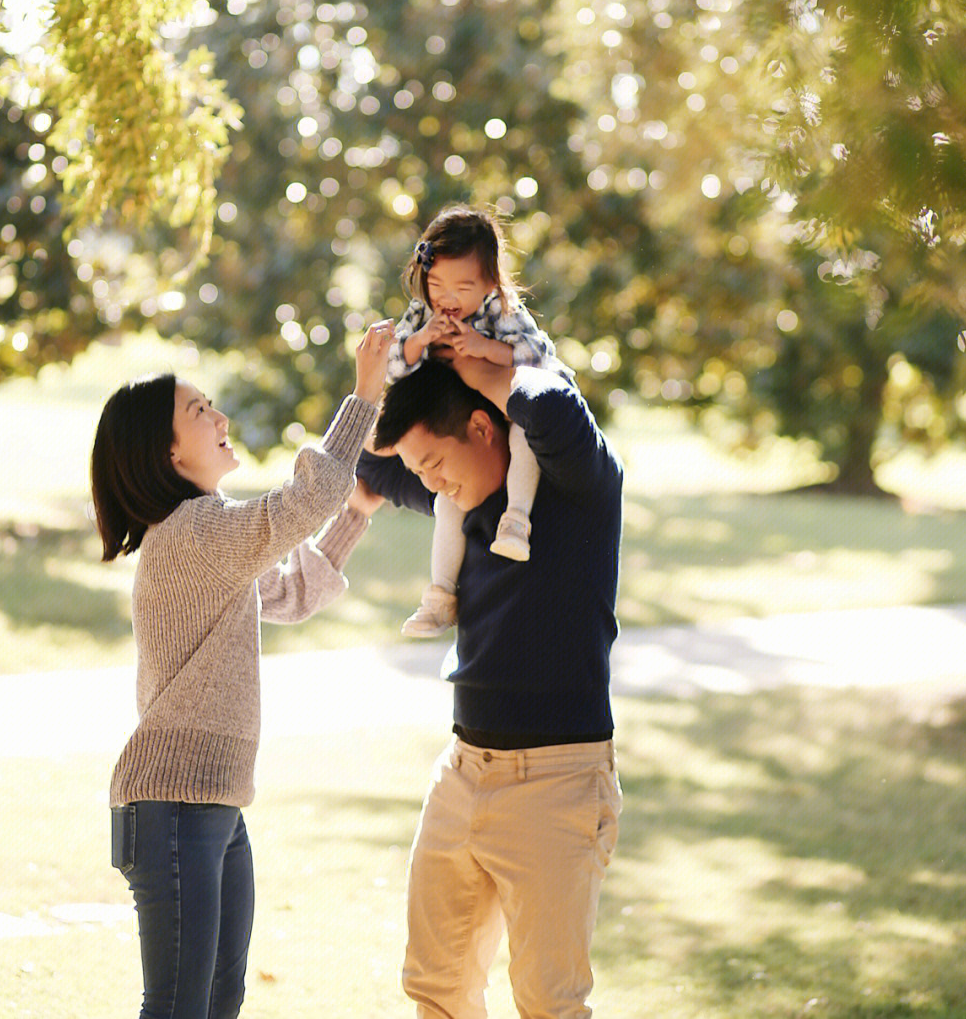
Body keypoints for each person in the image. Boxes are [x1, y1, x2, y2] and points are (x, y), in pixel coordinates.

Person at [91, 319, 394, 1019]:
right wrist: (364, 396)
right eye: (200, 411)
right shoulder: (193, 532)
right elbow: (299, 505)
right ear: (165, 450)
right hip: (173, 806)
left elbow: (288, 594)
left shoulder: (208, 533)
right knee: (178, 1007)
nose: (220, 416)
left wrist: (355, 513)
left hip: (213, 805)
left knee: (216, 1002)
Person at [357, 352, 623, 1019]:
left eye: (436, 464)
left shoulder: (576, 489)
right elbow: (369, 461)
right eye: (425, 475)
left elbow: (554, 407)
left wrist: (483, 358)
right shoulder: (461, 496)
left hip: (557, 781)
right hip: (462, 770)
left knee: (548, 1004)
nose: (433, 485)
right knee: (436, 985)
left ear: (482, 427)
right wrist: (398, 368)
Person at [387, 205, 573, 636]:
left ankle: (517, 518)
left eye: (462, 287)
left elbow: (534, 356)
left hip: (523, 403)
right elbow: (396, 365)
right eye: (436, 286)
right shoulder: (422, 314)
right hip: (474, 416)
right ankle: (439, 596)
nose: (447, 299)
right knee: (445, 503)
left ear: (490, 281)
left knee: (525, 437)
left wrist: (480, 347)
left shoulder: (502, 308)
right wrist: (422, 339)